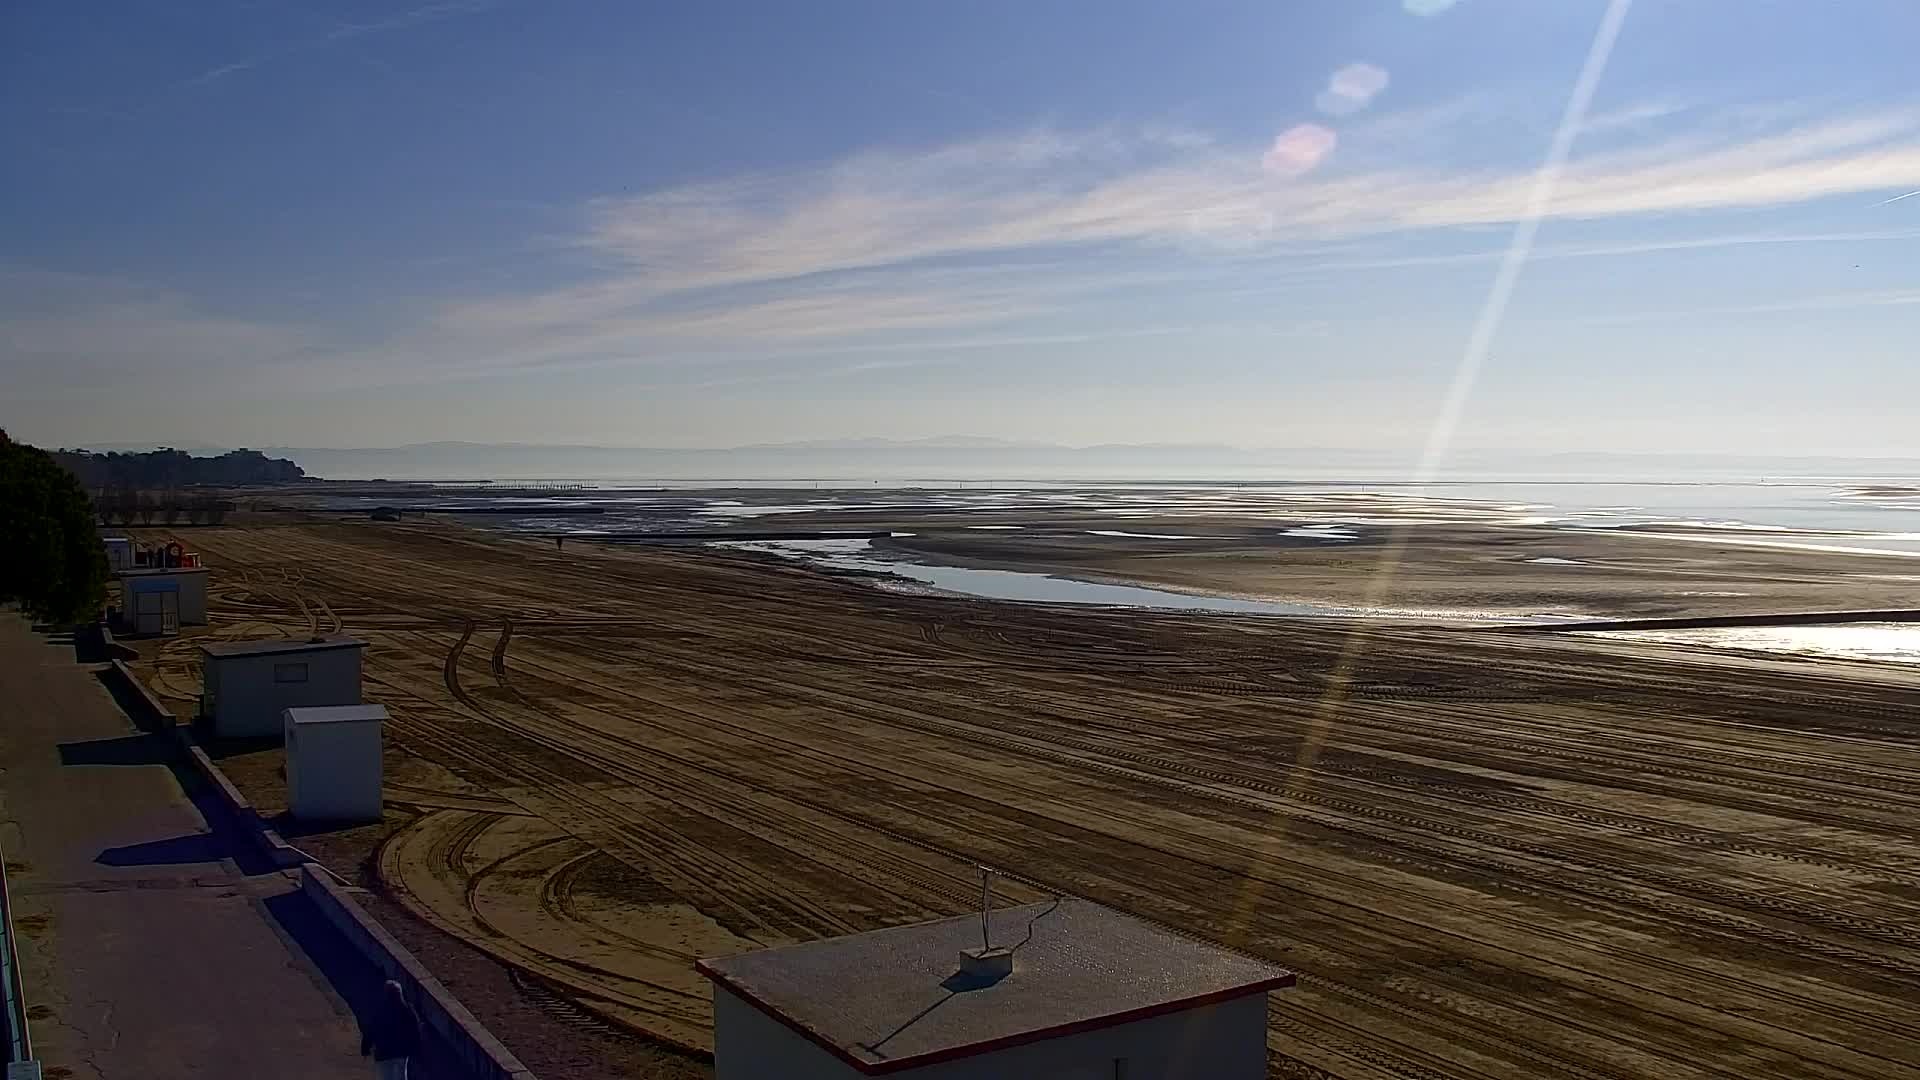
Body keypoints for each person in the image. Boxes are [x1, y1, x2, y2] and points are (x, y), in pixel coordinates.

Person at [361, 979, 422, 1079]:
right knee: (401, 1076)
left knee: (386, 1077)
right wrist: (417, 1049)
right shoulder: (407, 1009)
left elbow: (370, 1030)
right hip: (402, 1051)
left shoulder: (379, 1011)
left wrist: (365, 1048)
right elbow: (416, 1030)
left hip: (384, 1052)